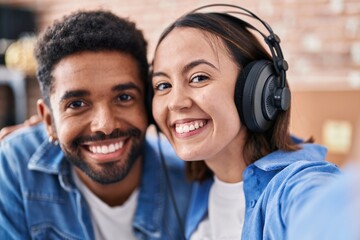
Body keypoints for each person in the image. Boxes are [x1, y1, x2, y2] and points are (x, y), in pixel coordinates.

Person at [150, 4, 342, 240]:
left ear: (258, 89)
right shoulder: (198, 186)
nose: (175, 102)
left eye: (199, 78)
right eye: (163, 85)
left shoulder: (295, 188)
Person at [0, 10, 192, 240]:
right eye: (77, 103)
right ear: (49, 121)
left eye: (124, 98)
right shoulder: (14, 163)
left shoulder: (190, 179)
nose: (105, 125)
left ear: (148, 103)